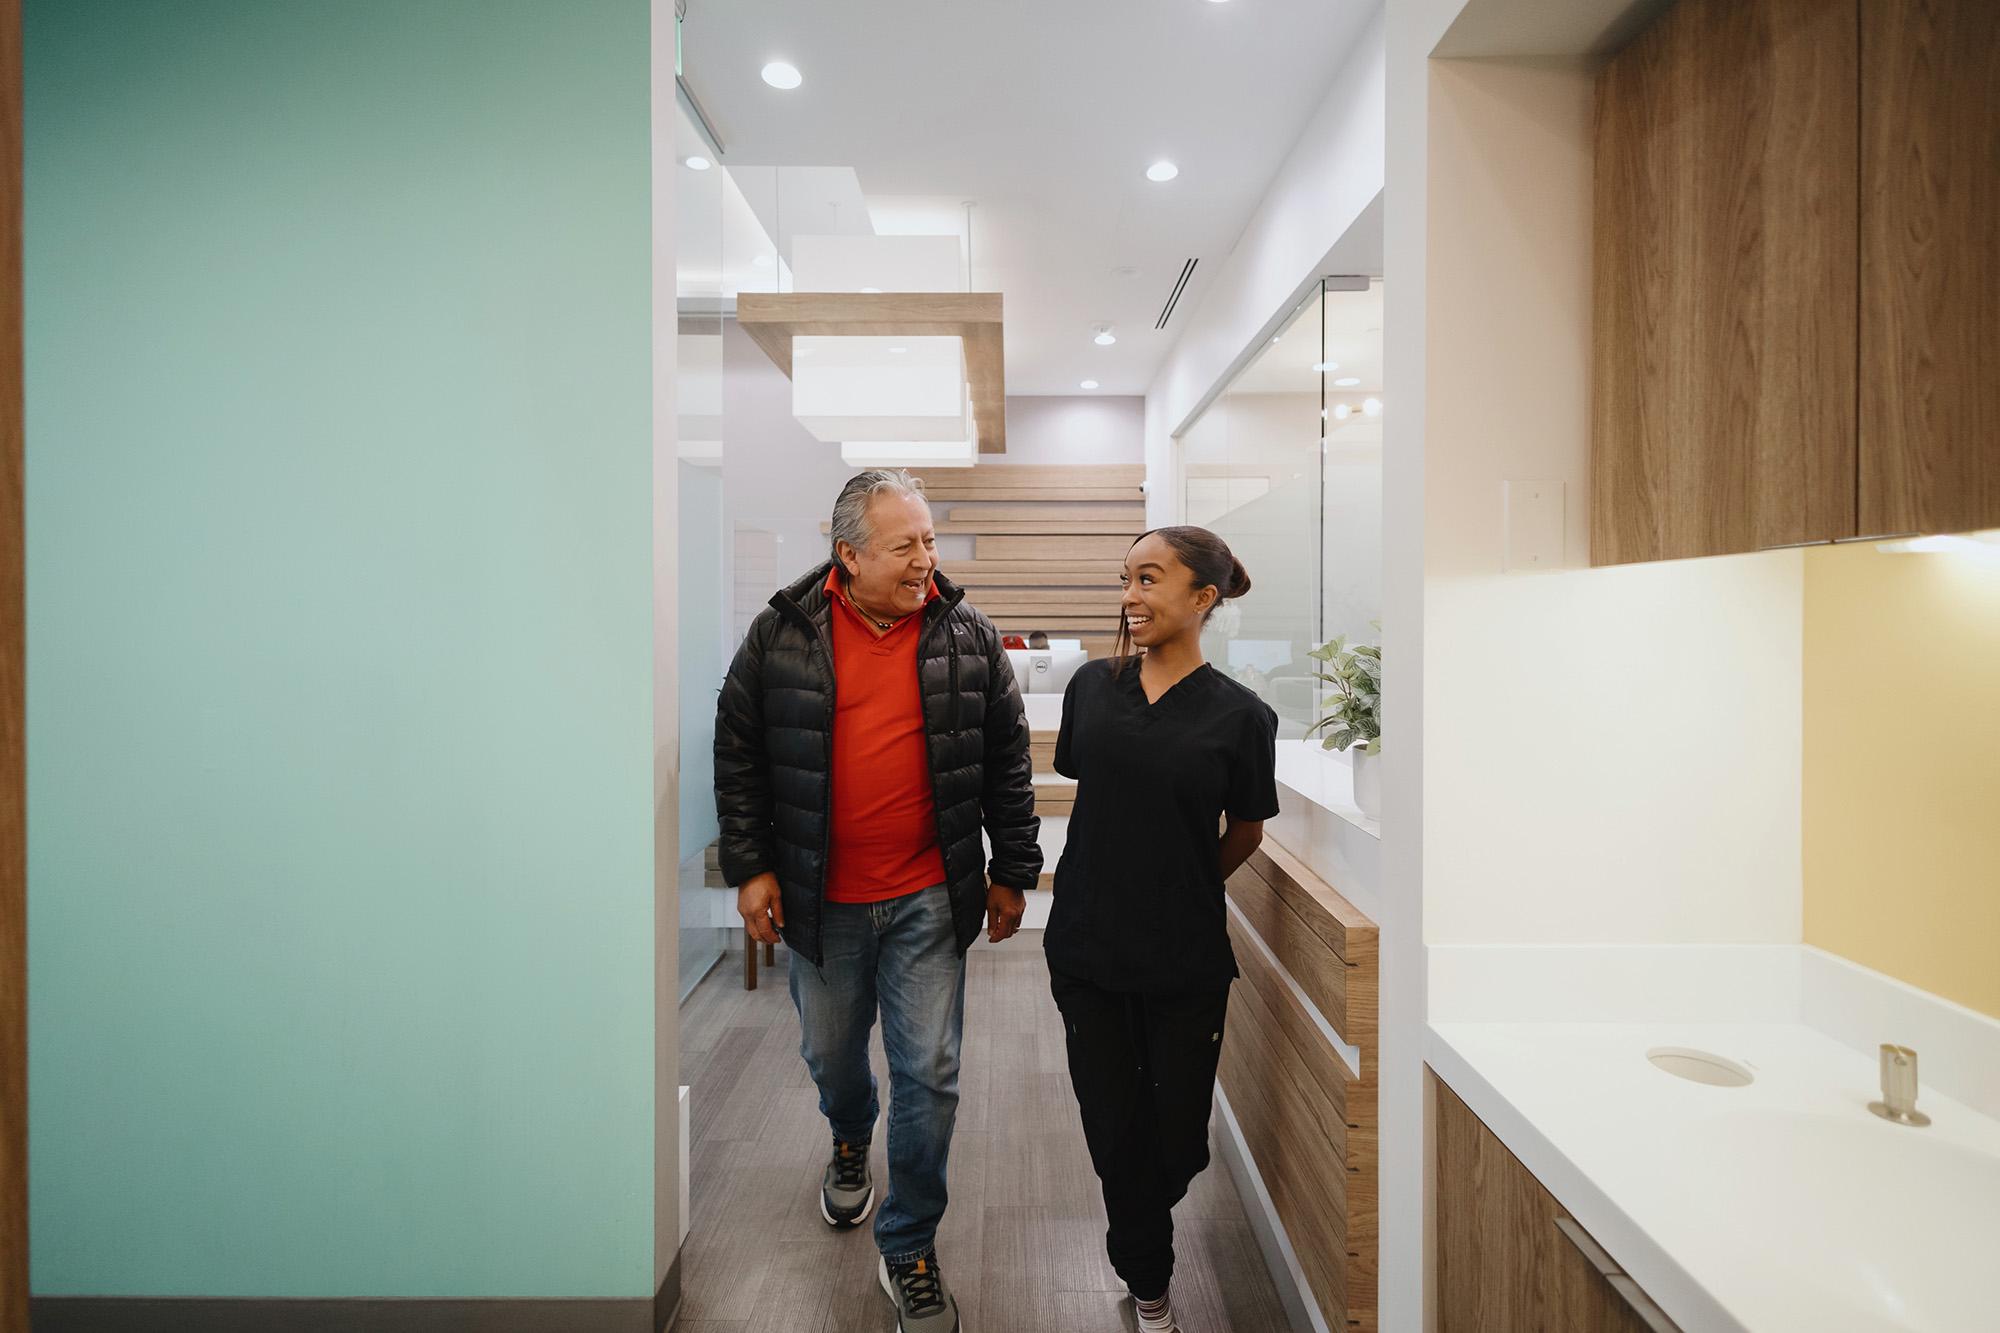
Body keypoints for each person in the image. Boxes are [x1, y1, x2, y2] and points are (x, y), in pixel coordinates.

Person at [713, 468, 1041, 1333]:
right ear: (848, 555)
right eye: (906, 545)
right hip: (822, 900)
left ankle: (909, 1245)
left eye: (929, 539)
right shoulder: (780, 634)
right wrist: (751, 866)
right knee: (830, 1053)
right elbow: (738, 749)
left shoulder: (967, 633)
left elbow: (1007, 760)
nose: (926, 558)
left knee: (930, 1073)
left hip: (929, 895)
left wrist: (1013, 868)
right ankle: (851, 1130)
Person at [1043, 526, 1279, 1333]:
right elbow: (1098, 791)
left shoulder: (1243, 716)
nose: (1129, 596)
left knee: (1178, 1140)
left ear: (1203, 596)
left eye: (1149, 579)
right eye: (1126, 579)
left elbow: (1246, 830)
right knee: (1115, 1127)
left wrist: (1182, 885)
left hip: (1185, 956)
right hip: (1087, 946)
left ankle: (1143, 1217)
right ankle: (1150, 1287)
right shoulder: (1092, 686)